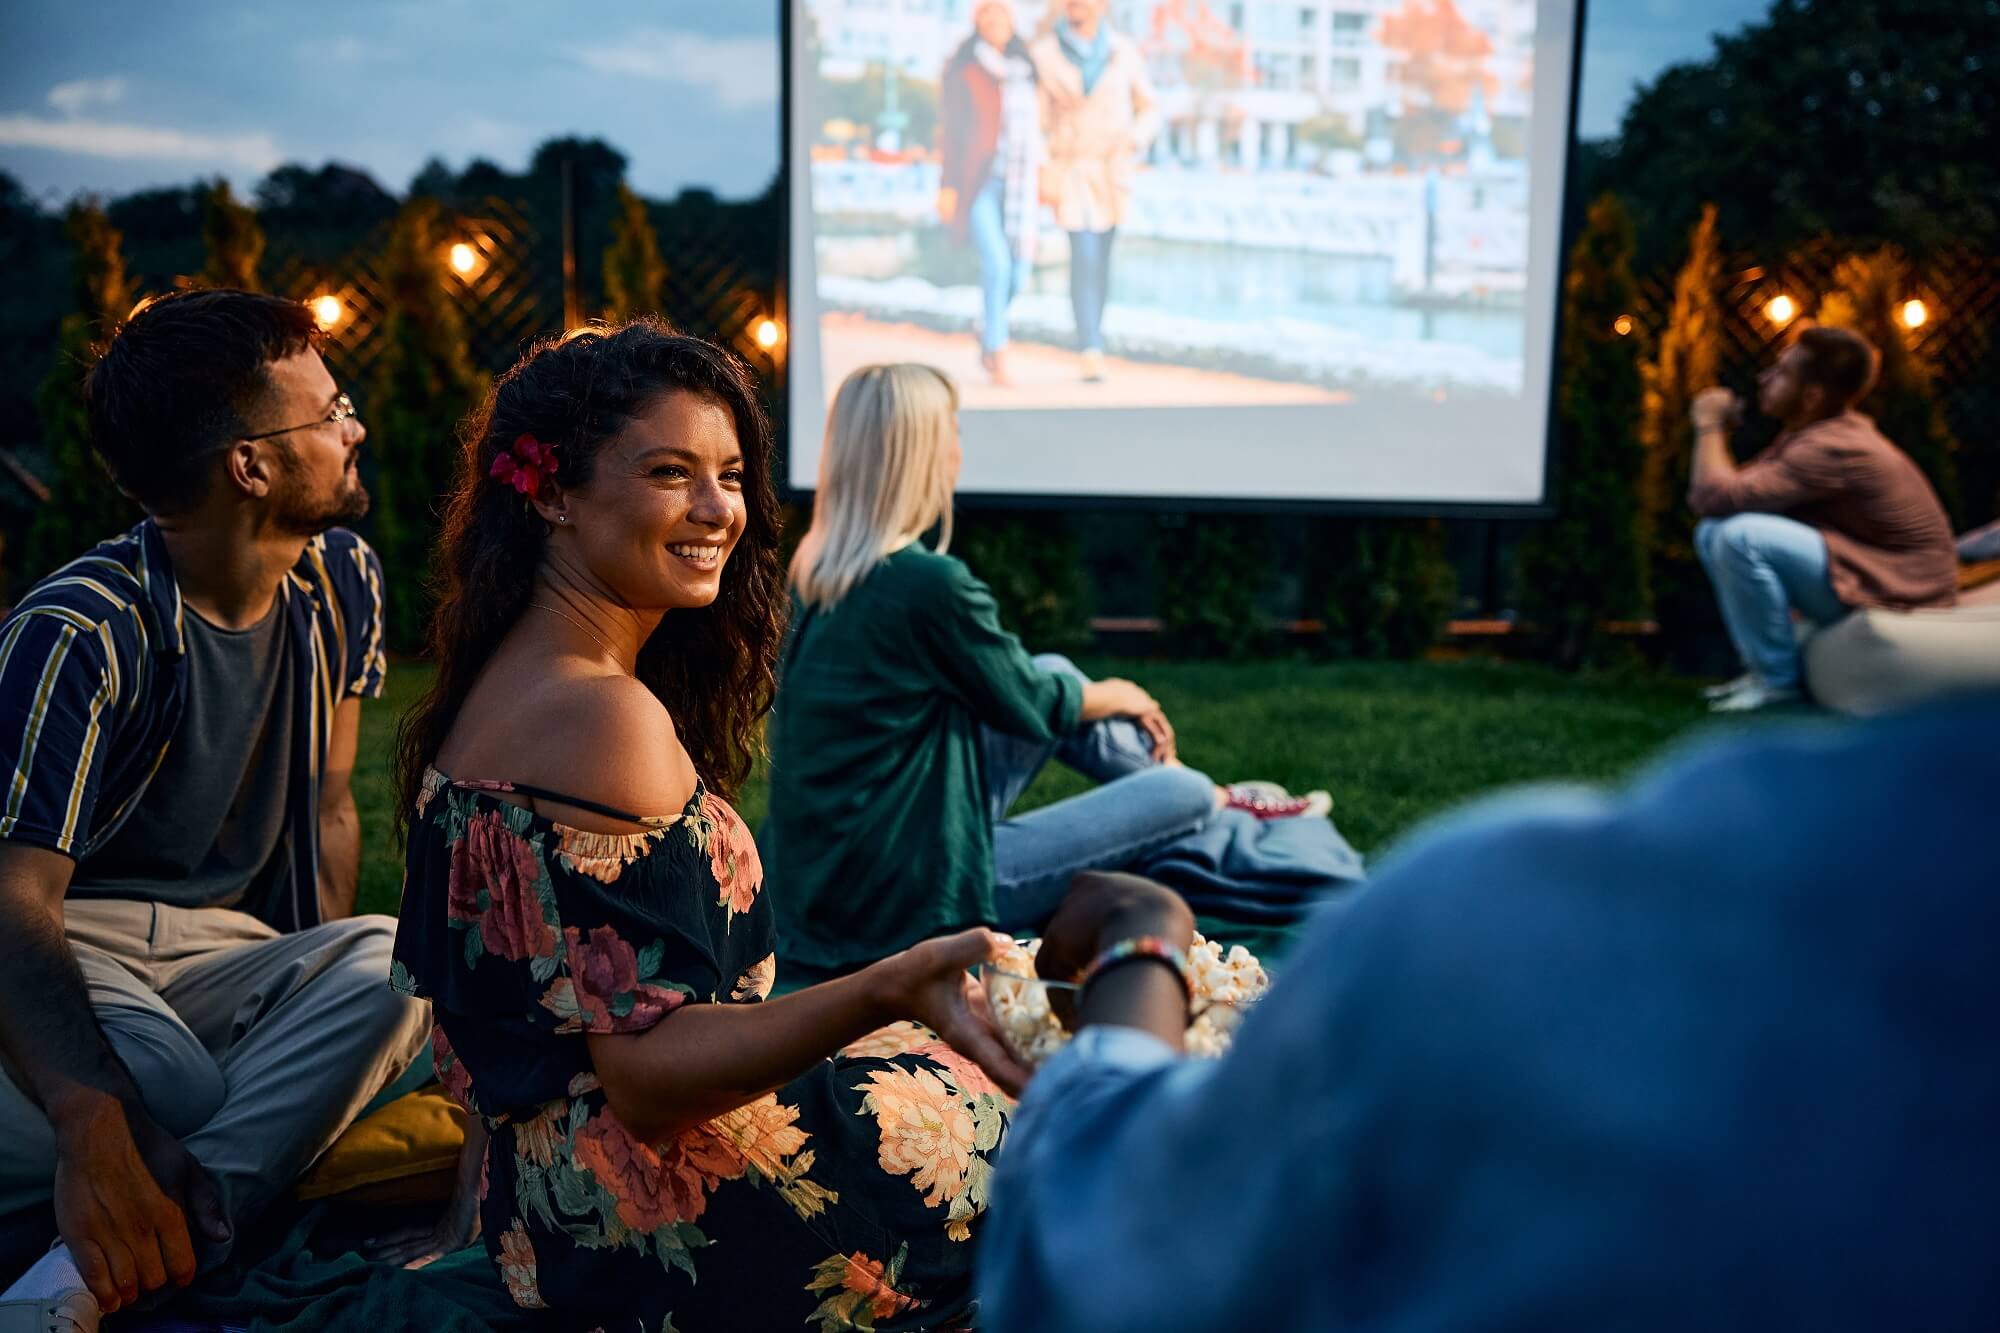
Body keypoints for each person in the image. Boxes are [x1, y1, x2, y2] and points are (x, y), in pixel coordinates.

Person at [979, 691, 2000, 1331]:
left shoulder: (1501, 929)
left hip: (1172, 933)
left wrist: (1142, 941)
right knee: (1201, 799)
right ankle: (1247, 812)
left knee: (1195, 795)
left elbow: (1112, 1236)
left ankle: (1239, 811)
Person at [386, 321, 1031, 1330]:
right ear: (553, 493)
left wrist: (482, 1218)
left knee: (1001, 1050)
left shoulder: (501, 686)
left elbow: (513, 1028)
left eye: (730, 473)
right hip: (703, 1224)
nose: (715, 507)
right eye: (670, 471)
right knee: (1084, 1101)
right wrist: (893, 981)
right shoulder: (602, 716)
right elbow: (645, 1076)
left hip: (556, 1224)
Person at [0, 289, 426, 1333]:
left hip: (225, 953)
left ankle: (150, 1239)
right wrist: (89, 1110)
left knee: (400, 961)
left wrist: (308, 992)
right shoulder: (79, 630)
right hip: (75, 939)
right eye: (330, 413)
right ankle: (182, 1179)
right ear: (251, 466)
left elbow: (331, 808)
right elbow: (13, 900)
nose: (354, 426)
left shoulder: (341, 582)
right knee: (170, 1089)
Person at [763, 364, 1311, 976]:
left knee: (1054, 671)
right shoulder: (927, 586)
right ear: (920, 455)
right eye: (952, 431)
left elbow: (1022, 687)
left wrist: (1086, 694)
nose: (957, 449)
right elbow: (1034, 704)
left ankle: (1210, 801)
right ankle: (1215, 803)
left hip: (828, 885)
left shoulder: (817, 575)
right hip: (910, 902)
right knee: (1176, 789)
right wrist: (1118, 693)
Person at [1688, 324, 1957, 712]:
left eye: (1781, 373)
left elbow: (1712, 495)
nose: (1764, 378)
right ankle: (1761, 672)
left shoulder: (1832, 447)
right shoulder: (1814, 435)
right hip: (1872, 567)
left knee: (1738, 537)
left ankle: (1776, 684)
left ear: (1812, 397)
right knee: (1715, 532)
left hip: (1904, 587)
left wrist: (1708, 423)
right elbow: (1726, 496)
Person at [1030, 0, 1159, 383]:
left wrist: (1135, 140)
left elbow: (1150, 108)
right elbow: (1035, 121)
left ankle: (1095, 335)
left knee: (1101, 257)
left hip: (1113, 170)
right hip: (1070, 167)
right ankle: (1089, 345)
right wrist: (1042, 163)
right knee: (1083, 253)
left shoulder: (1123, 52)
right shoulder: (1044, 55)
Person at [939, 0, 1043, 387]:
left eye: (1000, 13)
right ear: (977, 21)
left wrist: (1046, 172)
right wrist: (948, 186)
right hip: (978, 183)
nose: (994, 20)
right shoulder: (965, 70)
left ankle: (986, 327)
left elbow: (1038, 131)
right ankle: (997, 353)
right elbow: (951, 132)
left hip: (1020, 184)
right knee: (997, 264)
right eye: (986, 13)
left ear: (1012, 21)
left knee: (1020, 271)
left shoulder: (1027, 70)